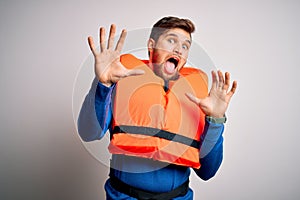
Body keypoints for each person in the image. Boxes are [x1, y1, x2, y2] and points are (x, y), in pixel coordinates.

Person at [77, 16, 237, 200]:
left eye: (185, 46)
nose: (178, 49)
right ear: (151, 46)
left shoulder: (197, 97)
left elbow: (208, 171)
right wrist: (103, 85)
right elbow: (88, 132)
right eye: (171, 41)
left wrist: (216, 119)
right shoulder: (123, 79)